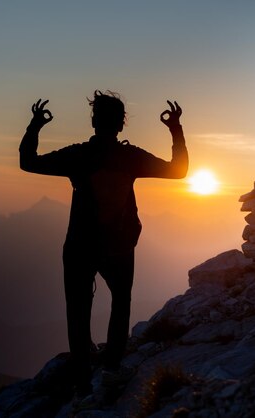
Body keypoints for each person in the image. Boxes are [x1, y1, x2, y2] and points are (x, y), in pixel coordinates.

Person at [19, 91, 189, 407]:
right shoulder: (131, 157)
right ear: (121, 124)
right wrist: (175, 128)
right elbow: (179, 170)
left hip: (80, 245)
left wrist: (35, 125)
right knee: (120, 302)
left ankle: (83, 386)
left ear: (94, 121)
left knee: (78, 311)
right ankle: (111, 369)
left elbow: (28, 162)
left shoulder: (79, 155)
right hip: (120, 244)